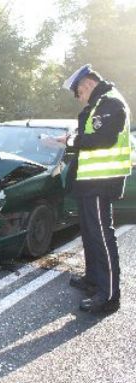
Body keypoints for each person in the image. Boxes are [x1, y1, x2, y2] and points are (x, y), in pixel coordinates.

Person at [53, 64, 131, 314]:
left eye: (79, 94)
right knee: (89, 233)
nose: (80, 99)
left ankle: (108, 296)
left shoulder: (110, 102)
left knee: (101, 237)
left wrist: (71, 140)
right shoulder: (100, 103)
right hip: (91, 181)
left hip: (102, 180)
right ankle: (93, 280)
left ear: (86, 85)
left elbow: (103, 138)